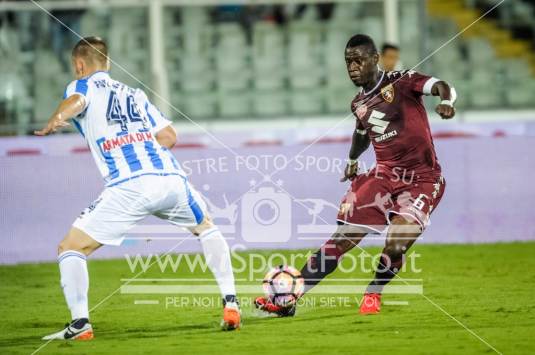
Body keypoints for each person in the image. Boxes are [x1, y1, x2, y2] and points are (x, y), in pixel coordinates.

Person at [36, 36, 241, 340]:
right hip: (170, 178)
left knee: (71, 248)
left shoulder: (82, 86)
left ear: (80, 65)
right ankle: (231, 303)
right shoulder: (135, 93)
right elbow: (170, 136)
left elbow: (77, 101)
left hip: (129, 186)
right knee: (206, 227)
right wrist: (138, 144)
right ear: (107, 62)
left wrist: (57, 117)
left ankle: (80, 325)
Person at [255, 34, 456, 316]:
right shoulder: (358, 103)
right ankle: (287, 300)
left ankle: (374, 292)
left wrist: (447, 102)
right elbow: (362, 134)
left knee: (396, 243)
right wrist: (352, 159)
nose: (352, 67)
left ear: (375, 59)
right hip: (383, 177)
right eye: (348, 62)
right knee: (341, 238)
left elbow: (441, 86)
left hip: (422, 179)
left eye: (358, 60)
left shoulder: (402, 80)